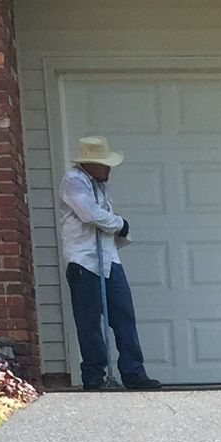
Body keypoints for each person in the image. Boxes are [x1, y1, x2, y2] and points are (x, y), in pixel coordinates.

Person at [59, 135, 164, 392]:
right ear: (90, 163)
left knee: (124, 316)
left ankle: (133, 372)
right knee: (89, 321)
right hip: (84, 261)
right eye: (104, 164)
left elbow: (103, 220)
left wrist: (117, 226)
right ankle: (94, 374)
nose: (108, 170)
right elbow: (90, 214)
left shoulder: (100, 185)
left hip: (109, 260)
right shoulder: (74, 181)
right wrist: (120, 224)